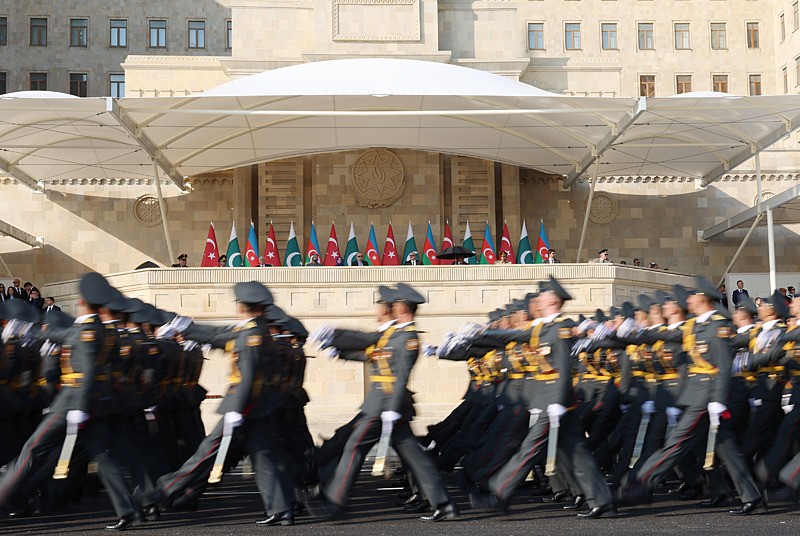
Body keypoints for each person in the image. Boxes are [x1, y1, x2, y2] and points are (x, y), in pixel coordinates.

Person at [147, 281, 296, 526]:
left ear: (242, 306)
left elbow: (247, 375)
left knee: (207, 451)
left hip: (243, 406)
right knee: (263, 457)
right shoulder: (255, 330)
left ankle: (165, 489)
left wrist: (237, 410)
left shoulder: (251, 336)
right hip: (258, 407)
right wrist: (190, 329)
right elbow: (221, 335)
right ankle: (282, 509)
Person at [310, 283, 459, 522]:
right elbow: (371, 349)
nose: (390, 306)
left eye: (395, 303)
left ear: (402, 307)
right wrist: (338, 346)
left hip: (384, 407)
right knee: (416, 458)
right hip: (386, 406)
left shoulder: (408, 339)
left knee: (354, 446)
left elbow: (399, 377)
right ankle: (443, 503)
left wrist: (389, 409)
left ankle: (335, 501)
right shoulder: (394, 335)